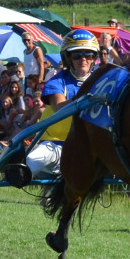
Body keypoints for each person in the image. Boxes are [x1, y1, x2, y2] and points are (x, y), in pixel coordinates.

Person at [25, 29, 100, 177]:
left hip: (89, 146)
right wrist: (85, 97)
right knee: (33, 160)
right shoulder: (58, 81)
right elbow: (59, 108)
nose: (83, 59)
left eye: (88, 54)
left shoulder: (101, 81)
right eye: (77, 55)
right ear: (68, 58)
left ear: (93, 58)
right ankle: (20, 174)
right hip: (55, 144)